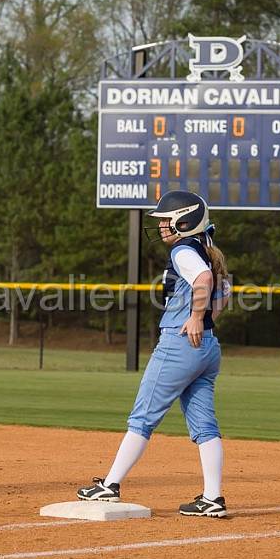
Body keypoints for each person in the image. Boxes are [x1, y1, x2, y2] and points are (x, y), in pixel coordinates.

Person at [77, 190, 232, 517]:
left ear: (184, 220)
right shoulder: (208, 250)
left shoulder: (184, 250)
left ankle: (110, 485)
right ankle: (212, 498)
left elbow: (204, 280)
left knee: (143, 415)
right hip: (207, 346)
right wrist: (204, 321)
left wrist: (192, 317)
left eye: (166, 219)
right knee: (204, 424)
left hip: (180, 346)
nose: (162, 225)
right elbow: (224, 292)